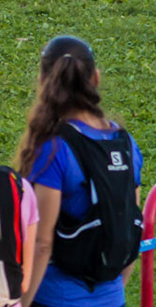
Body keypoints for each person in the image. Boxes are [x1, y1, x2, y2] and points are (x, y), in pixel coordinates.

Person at [16, 37, 142, 307]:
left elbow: (41, 243)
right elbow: (130, 222)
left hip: (55, 298)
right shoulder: (125, 143)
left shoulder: (54, 150)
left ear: (43, 81)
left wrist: (21, 303)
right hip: (112, 298)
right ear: (95, 78)